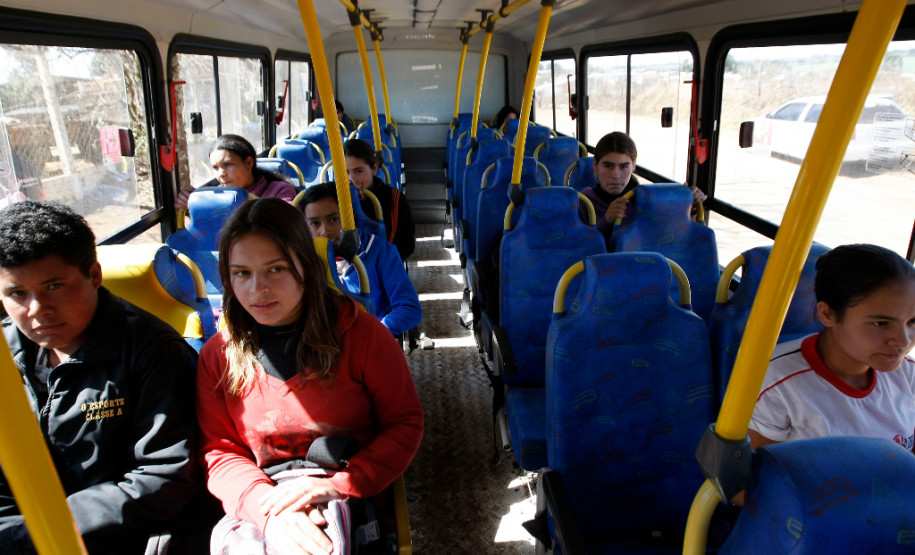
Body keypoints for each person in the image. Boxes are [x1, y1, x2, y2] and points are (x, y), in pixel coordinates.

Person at [196, 198, 423, 554]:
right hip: (263, 497)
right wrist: (267, 509)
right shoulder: (218, 355)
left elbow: (404, 423)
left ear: (306, 265)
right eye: (242, 273)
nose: (257, 290)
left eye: (276, 269)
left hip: (346, 489)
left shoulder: (362, 336)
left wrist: (342, 485)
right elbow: (221, 451)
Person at [0, 201, 200, 553]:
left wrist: (39, 530)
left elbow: (165, 479)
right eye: (17, 294)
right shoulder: (6, 356)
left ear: (94, 275)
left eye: (55, 286)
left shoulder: (152, 351)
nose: (36, 310)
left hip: (122, 534)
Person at [749, 243, 915, 451]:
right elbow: (759, 474)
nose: (904, 341)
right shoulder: (776, 382)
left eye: (912, 322)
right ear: (827, 314)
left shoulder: (908, 372)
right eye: (880, 323)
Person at [300, 182, 422, 337]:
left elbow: (409, 308)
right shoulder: (303, 257)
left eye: (333, 220)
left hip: (369, 336)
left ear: (350, 217)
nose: (325, 231)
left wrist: (375, 332)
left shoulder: (381, 252)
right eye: (315, 224)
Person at [578, 131, 706, 249]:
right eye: (608, 166)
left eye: (624, 166)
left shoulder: (647, 200)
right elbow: (583, 247)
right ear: (595, 165)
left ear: (633, 166)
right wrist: (607, 220)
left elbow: (670, 237)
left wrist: (688, 206)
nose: (616, 175)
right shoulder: (585, 201)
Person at [174, 134, 296, 213]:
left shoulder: (280, 191)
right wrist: (195, 207)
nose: (221, 174)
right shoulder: (216, 196)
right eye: (216, 168)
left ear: (248, 163)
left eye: (227, 165)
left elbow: (286, 225)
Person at [344, 139, 415, 262]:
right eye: (345, 172)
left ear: (374, 168)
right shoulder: (334, 199)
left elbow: (406, 244)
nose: (352, 179)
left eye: (359, 171)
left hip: (387, 266)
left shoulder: (395, 199)